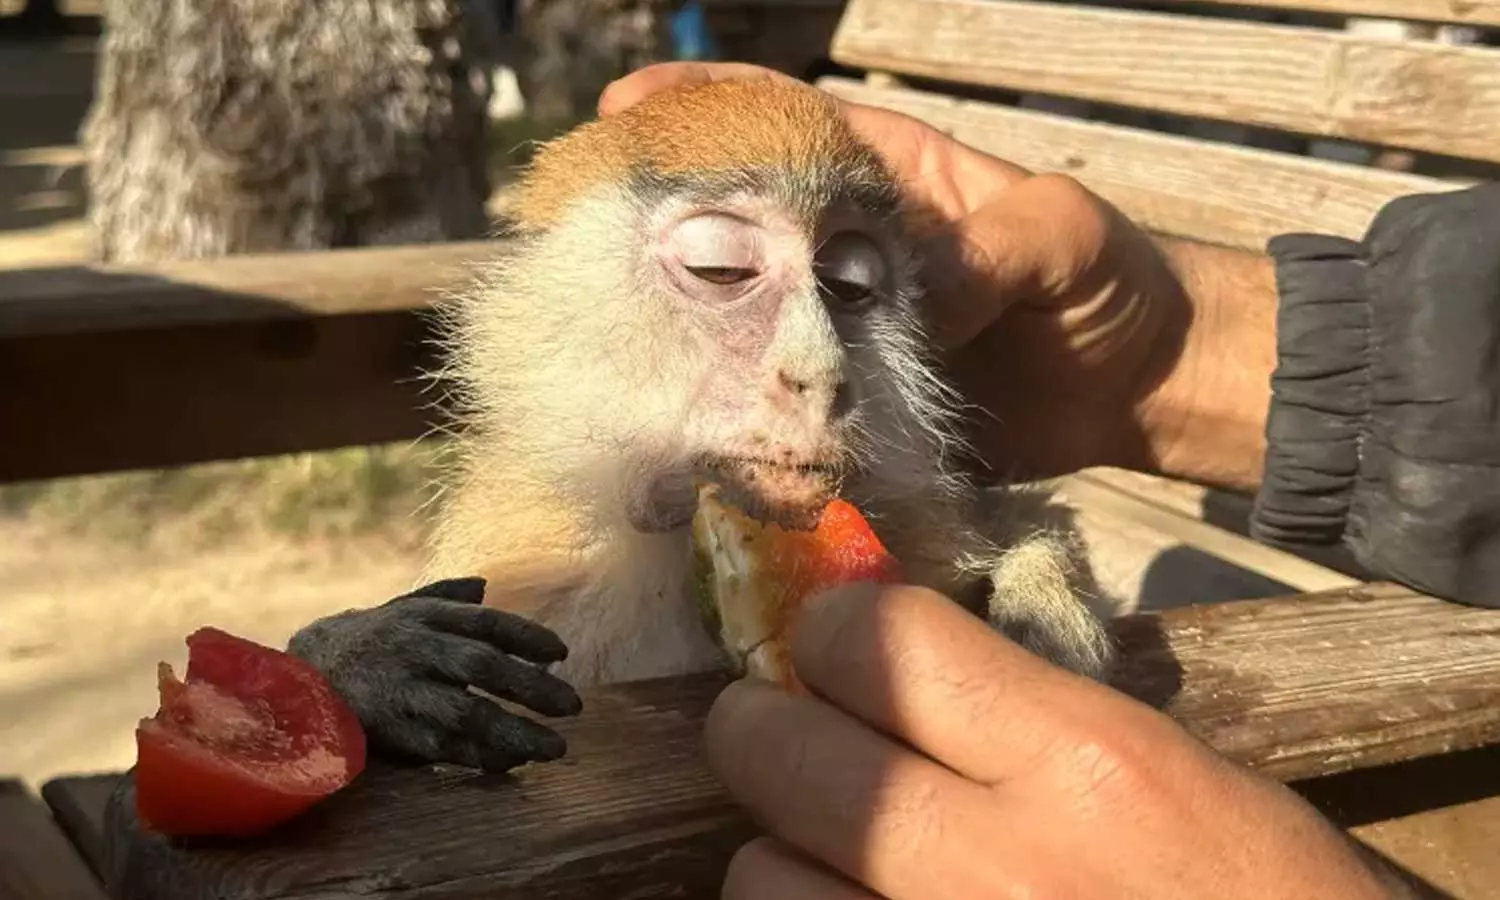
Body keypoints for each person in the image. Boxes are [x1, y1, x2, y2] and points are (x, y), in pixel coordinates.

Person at [597, 61, 1500, 899]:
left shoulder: (929, 531)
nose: (819, 365)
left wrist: (1028, 558)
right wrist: (1180, 352)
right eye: (719, 265)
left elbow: (985, 544)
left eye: (853, 282)